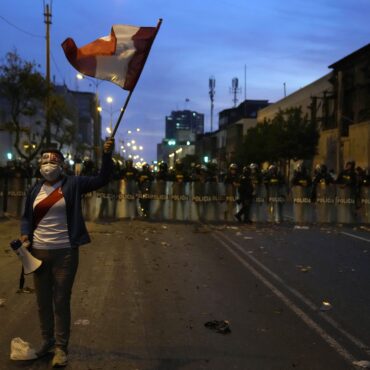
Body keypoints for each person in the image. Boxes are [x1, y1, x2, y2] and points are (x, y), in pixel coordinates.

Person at [20, 138, 114, 367]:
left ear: (61, 165)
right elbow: (26, 218)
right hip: (38, 254)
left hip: (65, 253)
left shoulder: (74, 183)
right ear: (40, 165)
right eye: (45, 162)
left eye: (53, 162)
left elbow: (103, 178)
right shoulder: (34, 189)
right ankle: (47, 341)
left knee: (60, 300)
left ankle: (61, 348)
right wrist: (25, 236)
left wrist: (107, 155)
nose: (48, 166)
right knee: (43, 302)